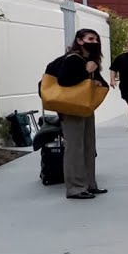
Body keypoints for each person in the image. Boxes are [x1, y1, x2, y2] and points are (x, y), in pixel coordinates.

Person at [51, 28, 110, 200]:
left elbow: (98, 81)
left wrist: (97, 81)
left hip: (84, 107)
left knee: (88, 147)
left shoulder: (89, 60)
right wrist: (86, 72)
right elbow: (64, 81)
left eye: (96, 39)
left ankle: (89, 184)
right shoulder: (73, 59)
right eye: (90, 39)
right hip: (71, 108)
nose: (95, 42)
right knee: (75, 148)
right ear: (79, 41)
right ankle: (76, 188)